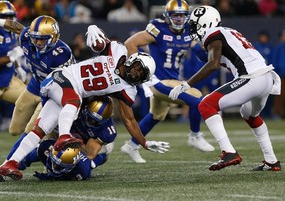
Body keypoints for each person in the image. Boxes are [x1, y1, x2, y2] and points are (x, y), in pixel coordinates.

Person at [0, 24, 170, 180]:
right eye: (138, 68)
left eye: (142, 74)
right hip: (62, 77)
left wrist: (144, 142)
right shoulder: (118, 51)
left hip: (62, 93)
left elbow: (129, 120)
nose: (137, 73)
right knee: (75, 100)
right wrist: (94, 30)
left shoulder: (128, 89)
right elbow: (99, 44)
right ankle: (64, 136)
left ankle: (11, 163)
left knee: (40, 129)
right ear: (133, 60)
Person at [169, 5, 281, 171]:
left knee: (206, 104)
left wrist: (187, 83)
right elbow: (208, 55)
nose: (192, 29)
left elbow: (212, 63)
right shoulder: (225, 33)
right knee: (249, 115)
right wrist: (192, 44)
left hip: (251, 77)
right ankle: (271, 161)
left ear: (205, 23)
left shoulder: (212, 33)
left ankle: (229, 152)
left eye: (194, 25)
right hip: (266, 78)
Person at [121, 0, 214, 164]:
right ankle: (195, 135)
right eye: (175, 15)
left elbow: (201, 54)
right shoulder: (158, 29)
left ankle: (132, 145)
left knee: (156, 115)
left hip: (172, 80)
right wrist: (140, 72)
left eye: (182, 15)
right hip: (157, 81)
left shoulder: (188, 31)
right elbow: (130, 43)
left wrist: (212, 50)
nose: (179, 19)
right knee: (198, 100)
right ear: (167, 15)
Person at [0, 15, 75, 161]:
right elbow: (16, 27)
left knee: (31, 130)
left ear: (54, 37)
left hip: (51, 92)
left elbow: (66, 84)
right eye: (36, 38)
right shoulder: (28, 39)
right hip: (34, 85)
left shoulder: (61, 54)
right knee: (14, 129)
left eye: (43, 39)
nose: (39, 42)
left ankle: (11, 161)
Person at [16, 97, 116, 181]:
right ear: (85, 108)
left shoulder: (106, 129)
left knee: (90, 161)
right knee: (43, 147)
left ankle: (85, 165)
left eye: (96, 122)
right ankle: (16, 163)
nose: (92, 123)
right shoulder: (78, 102)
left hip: (82, 144)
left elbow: (89, 153)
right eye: (90, 118)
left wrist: (72, 142)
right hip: (60, 131)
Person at [0, 0, 26, 119]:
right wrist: (11, 57)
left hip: (7, 80)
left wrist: (18, 67)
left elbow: (11, 52)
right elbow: (11, 55)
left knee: (32, 99)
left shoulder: (11, 33)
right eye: (6, 16)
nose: (9, 20)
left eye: (11, 16)